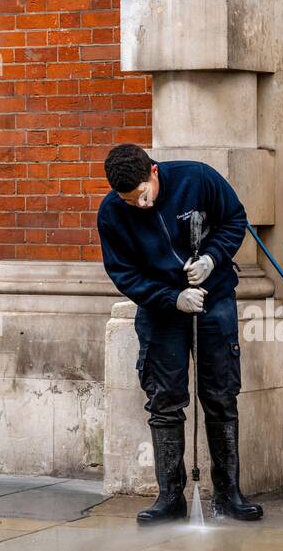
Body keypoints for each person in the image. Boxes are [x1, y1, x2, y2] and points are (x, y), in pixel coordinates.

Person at [97, 144, 264, 525]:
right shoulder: (112, 214)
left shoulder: (197, 178)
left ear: (153, 173)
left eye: (142, 194)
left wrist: (211, 259)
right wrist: (173, 298)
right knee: (165, 398)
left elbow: (234, 220)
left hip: (214, 298)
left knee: (220, 393)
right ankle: (170, 496)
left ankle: (228, 494)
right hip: (161, 311)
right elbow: (124, 274)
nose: (139, 205)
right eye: (129, 200)